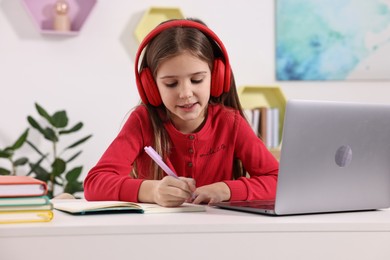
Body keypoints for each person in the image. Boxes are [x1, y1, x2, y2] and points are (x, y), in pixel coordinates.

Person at [84, 18, 279, 207]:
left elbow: (278, 181)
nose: (186, 93)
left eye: (196, 80)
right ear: (151, 86)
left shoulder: (231, 122)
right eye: (171, 83)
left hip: (218, 234)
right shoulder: (143, 121)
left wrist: (225, 190)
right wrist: (153, 191)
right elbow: (95, 184)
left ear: (216, 77)